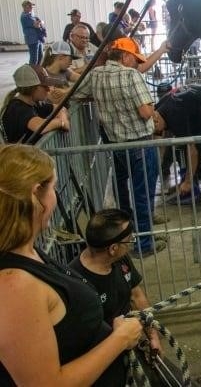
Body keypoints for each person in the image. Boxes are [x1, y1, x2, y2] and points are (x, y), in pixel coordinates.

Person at [0, 144, 142, 386]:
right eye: (53, 187)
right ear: (36, 194)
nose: (56, 195)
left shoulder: (27, 251)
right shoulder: (14, 285)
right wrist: (119, 339)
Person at [73, 38, 165, 258]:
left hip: (115, 143)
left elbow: (77, 93)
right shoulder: (131, 75)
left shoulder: (96, 74)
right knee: (143, 193)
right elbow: (144, 111)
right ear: (124, 56)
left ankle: (125, 236)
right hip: (140, 142)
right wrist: (154, 112)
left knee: (123, 191)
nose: (136, 64)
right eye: (134, 59)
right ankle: (144, 243)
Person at [69, 209, 161, 351]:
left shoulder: (120, 258)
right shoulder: (76, 283)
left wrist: (153, 337)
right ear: (113, 248)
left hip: (129, 337)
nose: (131, 244)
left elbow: (136, 295)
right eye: (129, 240)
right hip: (103, 350)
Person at [153, 85, 201, 203]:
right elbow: (160, 142)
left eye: (156, 128)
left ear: (156, 121)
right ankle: (189, 181)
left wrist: (187, 183)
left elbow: (192, 151)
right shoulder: (157, 110)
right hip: (198, 111)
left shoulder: (175, 116)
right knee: (180, 148)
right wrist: (158, 167)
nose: (158, 132)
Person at [1, 64, 70, 144]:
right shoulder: (17, 108)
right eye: (45, 86)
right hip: (14, 155)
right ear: (33, 88)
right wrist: (61, 122)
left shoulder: (35, 103)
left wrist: (62, 121)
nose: (49, 89)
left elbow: (61, 108)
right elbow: (40, 127)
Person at [20, 0, 46, 65]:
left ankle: (38, 71)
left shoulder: (31, 15)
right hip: (32, 40)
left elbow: (40, 22)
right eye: (30, 6)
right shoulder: (25, 16)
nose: (32, 8)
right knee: (34, 58)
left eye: (32, 6)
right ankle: (32, 72)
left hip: (37, 39)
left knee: (40, 57)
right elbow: (36, 25)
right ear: (25, 7)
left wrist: (40, 22)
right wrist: (40, 22)